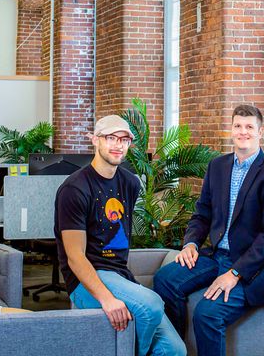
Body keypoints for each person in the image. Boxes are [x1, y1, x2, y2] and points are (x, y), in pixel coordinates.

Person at [153, 104, 264, 356]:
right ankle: (175, 351)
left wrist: (235, 272)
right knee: (165, 280)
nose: (243, 132)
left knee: (206, 314)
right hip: (218, 254)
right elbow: (202, 212)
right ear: (231, 129)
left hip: (254, 268)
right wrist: (191, 244)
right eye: (238, 126)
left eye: (249, 127)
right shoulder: (218, 166)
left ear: (261, 132)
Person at [54, 115, 186, 356]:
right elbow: (74, 258)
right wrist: (107, 298)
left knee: (174, 350)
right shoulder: (74, 189)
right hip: (86, 279)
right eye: (110, 138)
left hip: (120, 276)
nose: (118, 145)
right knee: (151, 306)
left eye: (124, 139)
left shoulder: (130, 183)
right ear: (94, 140)